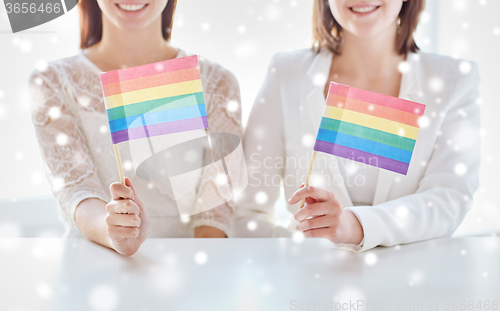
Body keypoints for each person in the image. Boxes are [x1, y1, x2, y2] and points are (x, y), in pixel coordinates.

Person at [234, 0, 481, 252]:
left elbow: (447, 199)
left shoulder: (454, 80)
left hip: (407, 281)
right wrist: (300, 252)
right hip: (308, 282)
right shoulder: (286, 73)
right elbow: (247, 212)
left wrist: (353, 226)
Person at [28, 0, 242, 255]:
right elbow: (77, 192)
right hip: (91, 269)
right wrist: (114, 232)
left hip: (186, 274)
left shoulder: (217, 83)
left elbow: (215, 215)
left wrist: (197, 277)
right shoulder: (52, 82)